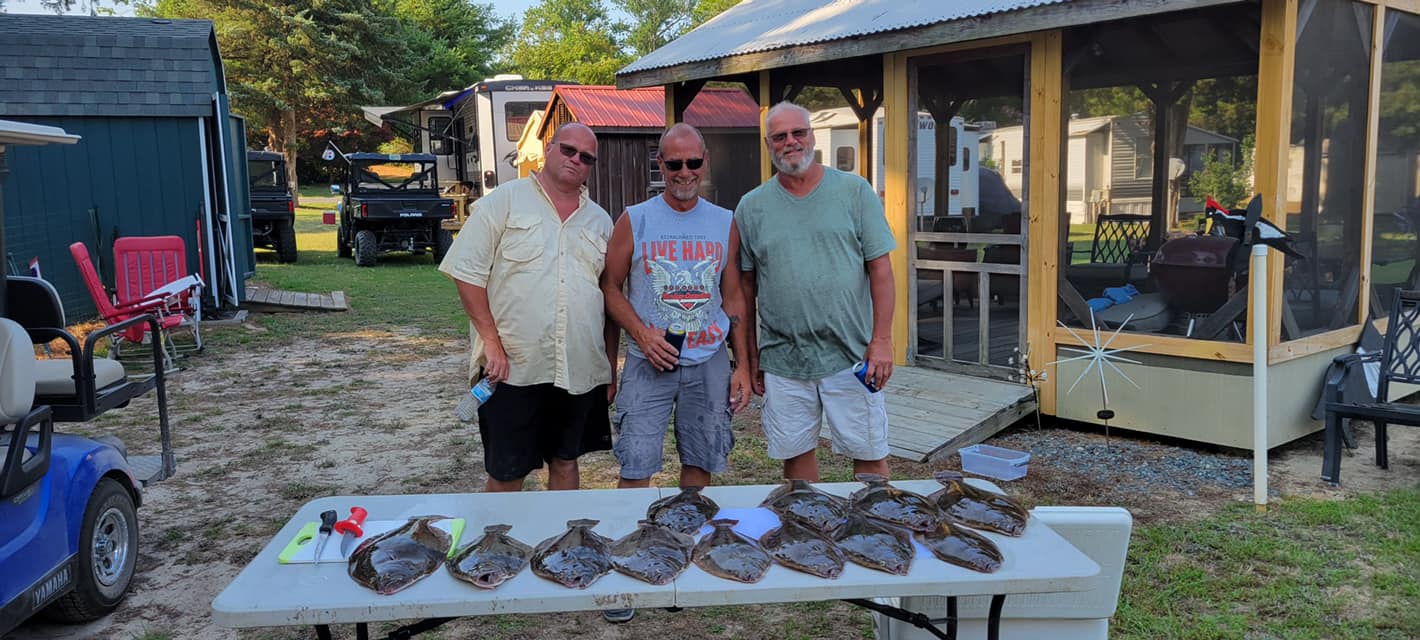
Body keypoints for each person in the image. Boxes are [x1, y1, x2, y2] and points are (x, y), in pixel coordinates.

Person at [438, 122, 617, 493]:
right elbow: (466, 273)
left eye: (587, 157)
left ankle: (561, 532)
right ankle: (497, 533)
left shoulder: (601, 221)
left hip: (579, 367)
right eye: (568, 150)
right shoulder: (503, 203)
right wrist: (491, 343)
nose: (576, 160)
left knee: (566, 461)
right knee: (508, 471)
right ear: (548, 148)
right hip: (513, 366)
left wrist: (609, 368)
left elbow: (608, 296)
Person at [736, 101, 897, 482]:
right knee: (796, 460)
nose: (791, 142)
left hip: (851, 354)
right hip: (784, 359)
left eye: (799, 132)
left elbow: (881, 271)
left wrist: (882, 341)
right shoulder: (751, 207)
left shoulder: (854, 191)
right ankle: (805, 521)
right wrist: (751, 357)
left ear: (811, 136)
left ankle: (876, 521)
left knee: (869, 455)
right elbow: (744, 289)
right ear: (768, 144)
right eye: (780, 136)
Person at [601, 123, 752, 492]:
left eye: (693, 162)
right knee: (636, 465)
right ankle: (633, 527)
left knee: (700, 462)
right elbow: (609, 286)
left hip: (708, 359)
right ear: (660, 164)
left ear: (705, 161)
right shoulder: (635, 219)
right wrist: (641, 335)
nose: (685, 172)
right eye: (674, 164)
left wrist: (743, 366)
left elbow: (733, 296)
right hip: (648, 359)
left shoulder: (724, 221)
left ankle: (688, 526)